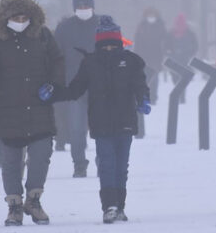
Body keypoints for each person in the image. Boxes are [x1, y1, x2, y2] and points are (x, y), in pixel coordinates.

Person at [0, 0, 65, 226]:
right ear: (4, 17)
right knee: (10, 160)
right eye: (15, 18)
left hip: (39, 107)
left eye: (24, 18)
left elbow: (57, 60)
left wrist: (54, 84)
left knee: (41, 156)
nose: (20, 23)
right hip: (6, 109)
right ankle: (14, 206)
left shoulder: (42, 35)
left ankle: (34, 199)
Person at [62, 16, 150, 224]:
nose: (109, 49)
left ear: (119, 43)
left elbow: (139, 83)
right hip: (101, 123)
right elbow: (76, 88)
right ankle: (109, 206)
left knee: (121, 165)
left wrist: (143, 99)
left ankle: (120, 205)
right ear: (98, 44)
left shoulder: (130, 61)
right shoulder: (91, 63)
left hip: (125, 121)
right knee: (107, 164)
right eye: (105, 45)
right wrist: (56, 93)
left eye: (113, 45)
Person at [53, 0, 98, 176]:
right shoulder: (64, 28)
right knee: (76, 128)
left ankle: (104, 162)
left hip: (100, 85)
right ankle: (79, 164)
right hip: (74, 86)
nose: (83, 8)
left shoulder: (103, 25)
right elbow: (56, 56)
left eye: (86, 5)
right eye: (79, 5)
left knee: (102, 128)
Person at [133, 7, 168, 105]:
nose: (151, 17)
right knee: (144, 77)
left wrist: (164, 51)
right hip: (143, 55)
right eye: (149, 15)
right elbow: (138, 41)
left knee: (154, 77)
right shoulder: (142, 26)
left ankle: (153, 97)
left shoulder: (160, 26)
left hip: (156, 55)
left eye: (153, 15)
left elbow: (165, 41)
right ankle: (144, 96)